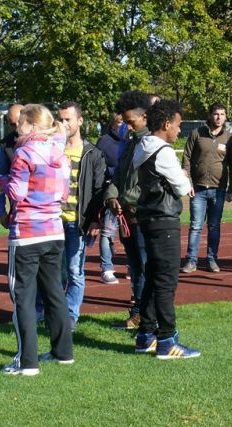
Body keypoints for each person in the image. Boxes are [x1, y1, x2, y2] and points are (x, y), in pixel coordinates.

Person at [0, 104, 73, 376]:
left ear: (32, 126)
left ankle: (26, 361)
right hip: (54, 231)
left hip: (27, 233)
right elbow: (64, 194)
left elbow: (16, 192)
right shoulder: (60, 154)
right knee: (54, 292)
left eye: (20, 125)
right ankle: (63, 352)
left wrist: (1, 182)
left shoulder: (24, 153)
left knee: (23, 298)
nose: (17, 129)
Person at [131, 99, 200, 358]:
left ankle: (145, 335)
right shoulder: (163, 151)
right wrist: (183, 178)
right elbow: (183, 188)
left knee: (152, 277)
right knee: (165, 281)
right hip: (164, 221)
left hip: (148, 219)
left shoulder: (143, 146)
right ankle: (167, 340)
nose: (179, 131)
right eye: (178, 125)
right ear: (167, 124)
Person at [105, 91, 157, 330]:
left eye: (130, 121)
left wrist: (123, 199)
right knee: (135, 266)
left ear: (144, 117)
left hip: (143, 216)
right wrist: (112, 195)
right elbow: (119, 175)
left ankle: (148, 316)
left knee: (146, 267)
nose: (126, 126)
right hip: (126, 216)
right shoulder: (129, 143)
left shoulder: (151, 143)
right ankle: (137, 314)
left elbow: (149, 183)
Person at [57, 101, 107, 330]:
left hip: (78, 223)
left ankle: (71, 316)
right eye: (61, 119)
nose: (64, 123)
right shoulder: (53, 149)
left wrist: (96, 219)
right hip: (53, 222)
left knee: (75, 271)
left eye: (68, 119)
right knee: (54, 273)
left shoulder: (93, 153)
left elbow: (99, 190)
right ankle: (52, 313)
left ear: (80, 121)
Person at [180, 103, 232, 273]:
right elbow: (186, 158)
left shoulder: (230, 139)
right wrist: (188, 183)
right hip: (197, 189)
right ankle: (191, 261)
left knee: (214, 226)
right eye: (216, 114)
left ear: (226, 117)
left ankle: (212, 260)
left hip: (218, 190)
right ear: (210, 115)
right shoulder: (196, 134)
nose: (219, 117)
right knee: (196, 226)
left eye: (222, 114)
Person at [95, 113, 124, 284]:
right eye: (120, 123)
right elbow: (99, 168)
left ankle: (131, 266)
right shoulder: (104, 141)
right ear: (113, 124)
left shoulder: (133, 141)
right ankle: (107, 268)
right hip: (110, 192)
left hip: (128, 194)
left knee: (129, 232)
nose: (123, 127)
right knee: (107, 232)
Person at [0, 103, 24, 228]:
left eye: (20, 122)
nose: (17, 127)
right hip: (18, 214)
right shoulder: (5, 145)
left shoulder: (46, 142)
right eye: (13, 124)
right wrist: (2, 212)